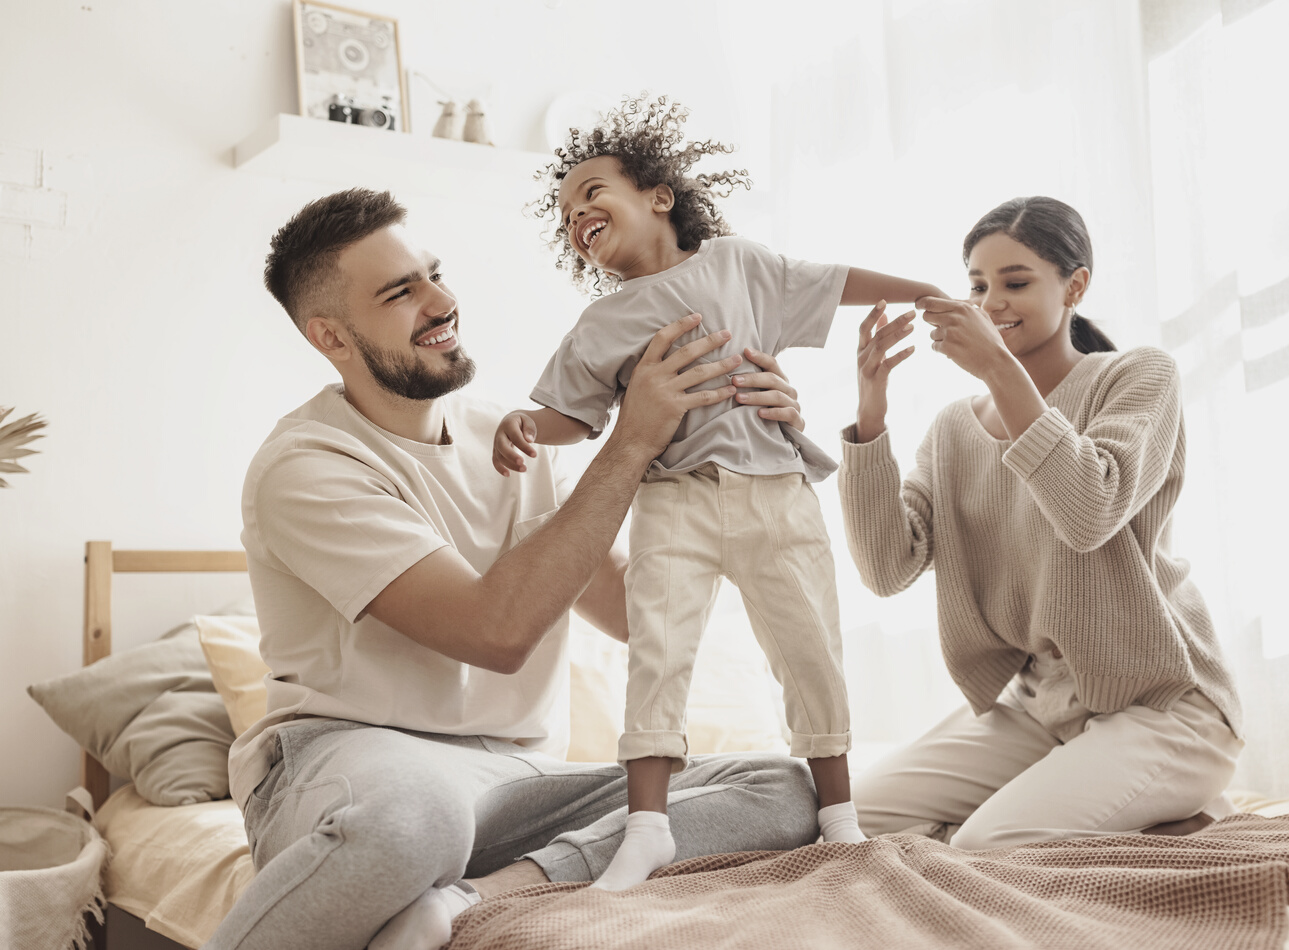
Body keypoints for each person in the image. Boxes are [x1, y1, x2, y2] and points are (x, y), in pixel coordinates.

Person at [202, 188, 824, 950]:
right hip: (352, 760)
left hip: (512, 781)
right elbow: (494, 631)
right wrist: (627, 444)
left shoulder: (507, 440)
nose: (441, 302)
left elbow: (638, 613)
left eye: (433, 274)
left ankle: (473, 899)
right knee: (416, 820)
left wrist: (739, 450)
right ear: (330, 336)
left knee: (782, 786)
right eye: (401, 292)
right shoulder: (306, 467)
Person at [494, 94, 945, 890]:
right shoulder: (600, 323)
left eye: (592, 193)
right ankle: (646, 828)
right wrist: (527, 425)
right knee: (657, 652)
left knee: (808, 648)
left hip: (775, 488)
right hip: (673, 498)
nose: (577, 214)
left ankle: (839, 819)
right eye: (565, 214)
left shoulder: (738, 265)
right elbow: (572, 414)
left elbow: (833, 279)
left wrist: (926, 291)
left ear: (659, 196)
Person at [838, 195, 1243, 850]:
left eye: (1015, 282)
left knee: (983, 847)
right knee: (848, 819)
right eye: (977, 285)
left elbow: (1090, 510)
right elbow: (887, 569)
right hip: (1040, 710)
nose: (990, 301)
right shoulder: (952, 430)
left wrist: (997, 367)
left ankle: (1157, 806)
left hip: (1164, 708)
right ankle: (1113, 803)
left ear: (1074, 286)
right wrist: (870, 415)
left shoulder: (1137, 377)